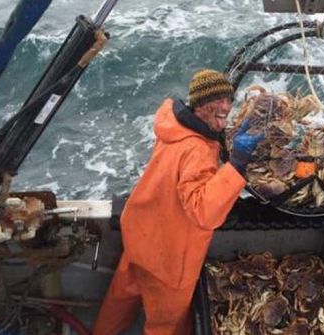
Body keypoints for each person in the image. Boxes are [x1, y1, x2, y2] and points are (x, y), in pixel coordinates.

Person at [93, 69, 263, 335]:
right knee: (166, 324)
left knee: (122, 297)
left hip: (140, 232)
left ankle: (101, 332)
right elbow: (204, 212)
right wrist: (237, 164)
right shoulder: (197, 150)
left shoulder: (173, 127)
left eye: (228, 100)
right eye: (217, 102)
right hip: (169, 256)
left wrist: (218, 137)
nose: (226, 106)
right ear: (200, 105)